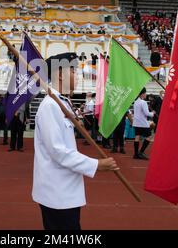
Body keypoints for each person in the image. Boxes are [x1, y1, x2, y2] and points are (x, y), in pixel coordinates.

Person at [33, 52, 118, 230]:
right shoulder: (50, 105)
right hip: (57, 193)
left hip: (66, 190)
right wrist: (96, 165)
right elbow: (58, 151)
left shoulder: (63, 103)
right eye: (73, 71)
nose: (77, 76)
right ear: (60, 75)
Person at [133, 88, 154, 160]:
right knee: (149, 136)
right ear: (142, 94)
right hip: (142, 123)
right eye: (145, 93)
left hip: (136, 122)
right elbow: (147, 113)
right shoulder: (143, 102)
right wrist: (153, 113)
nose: (146, 94)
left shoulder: (136, 102)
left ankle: (136, 154)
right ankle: (141, 152)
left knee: (137, 137)